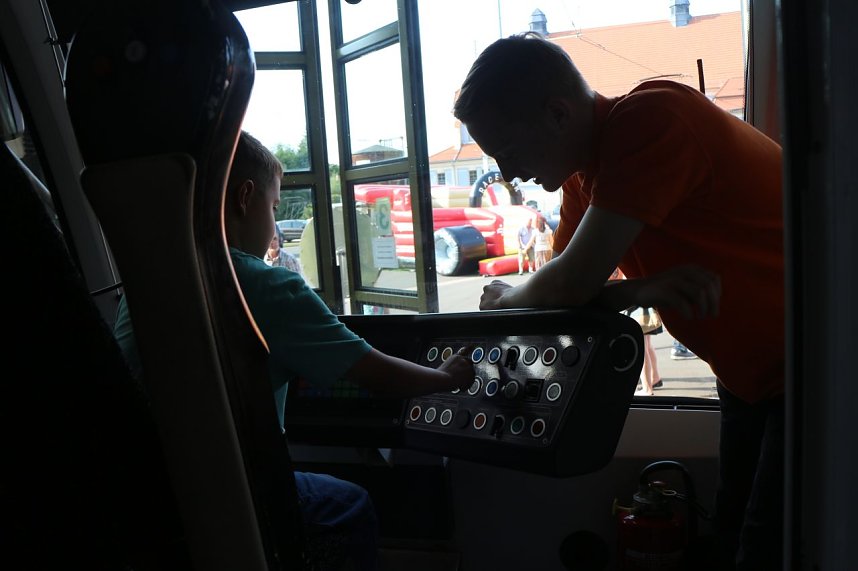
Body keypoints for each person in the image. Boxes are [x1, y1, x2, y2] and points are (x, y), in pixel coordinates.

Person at [455, 34, 783, 570]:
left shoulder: (650, 121)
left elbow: (562, 286)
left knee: (765, 545)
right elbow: (560, 302)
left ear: (559, 113)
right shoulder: (585, 183)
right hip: (748, 377)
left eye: (508, 152)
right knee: (731, 535)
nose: (509, 174)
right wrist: (638, 291)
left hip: (808, 372)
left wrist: (508, 295)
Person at [113, 131, 475, 570]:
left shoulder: (144, 284)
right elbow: (376, 373)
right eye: (273, 206)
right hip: (230, 488)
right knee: (349, 507)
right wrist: (449, 378)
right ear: (245, 198)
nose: (272, 224)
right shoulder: (267, 286)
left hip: (146, 487)